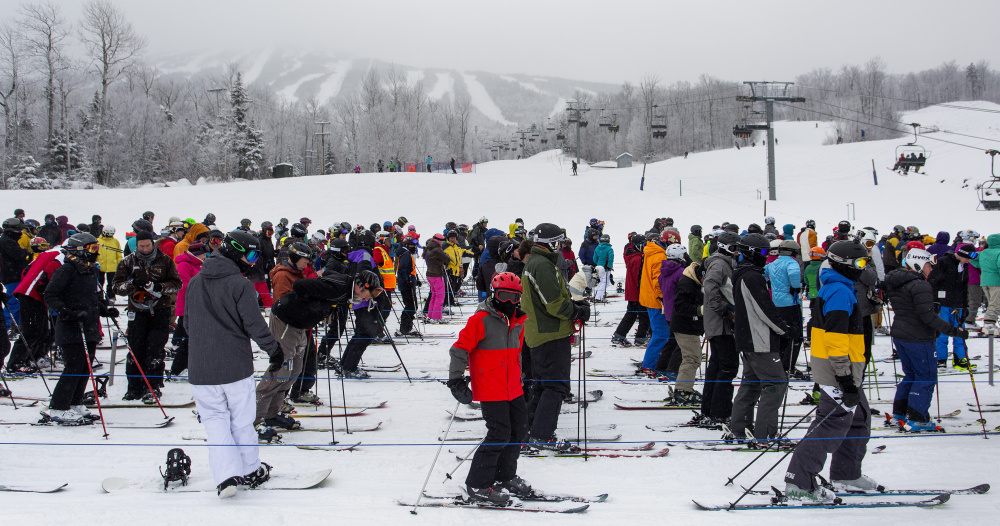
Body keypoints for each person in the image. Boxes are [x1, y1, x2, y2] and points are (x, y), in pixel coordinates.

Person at [185, 230, 282, 497]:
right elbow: (254, 324)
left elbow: (186, 324)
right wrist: (274, 350)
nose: (252, 262)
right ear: (235, 251)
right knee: (241, 421)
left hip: (201, 370)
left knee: (215, 422)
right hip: (234, 367)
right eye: (250, 255)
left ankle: (227, 476)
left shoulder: (194, 283)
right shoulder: (240, 285)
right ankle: (250, 470)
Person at [784, 240, 875, 501]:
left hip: (847, 370)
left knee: (859, 420)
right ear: (844, 264)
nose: (862, 268)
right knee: (830, 426)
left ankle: (847, 474)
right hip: (839, 372)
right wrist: (845, 379)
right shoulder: (839, 291)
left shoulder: (841, 286)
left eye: (865, 262)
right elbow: (836, 340)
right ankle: (799, 483)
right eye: (859, 263)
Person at [446, 272, 531, 504]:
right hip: (490, 387)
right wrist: (456, 380)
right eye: (504, 296)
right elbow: (459, 350)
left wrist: (523, 379)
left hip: (513, 387)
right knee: (499, 434)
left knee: (518, 431)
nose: (509, 303)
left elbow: (517, 355)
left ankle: (505, 476)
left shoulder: (518, 321)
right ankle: (477, 485)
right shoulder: (480, 320)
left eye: (515, 298)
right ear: (494, 294)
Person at [522, 223, 589, 450]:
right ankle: (542, 435)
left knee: (543, 384)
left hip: (544, 332)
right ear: (550, 243)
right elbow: (553, 304)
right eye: (558, 241)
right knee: (556, 386)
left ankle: (530, 429)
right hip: (549, 333)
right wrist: (577, 310)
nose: (561, 245)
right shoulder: (541, 264)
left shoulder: (539, 262)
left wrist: (574, 307)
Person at [886, 248, 968, 433]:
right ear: (918, 263)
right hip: (918, 337)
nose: (931, 268)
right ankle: (917, 418)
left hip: (901, 334)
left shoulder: (897, 281)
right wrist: (954, 331)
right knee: (926, 377)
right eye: (928, 264)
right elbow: (928, 317)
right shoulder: (919, 285)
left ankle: (900, 413)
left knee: (912, 375)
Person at [44, 233, 119, 423]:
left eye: (97, 248)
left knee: (85, 367)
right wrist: (67, 312)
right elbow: (51, 295)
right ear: (80, 250)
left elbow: (92, 297)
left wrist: (104, 310)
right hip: (71, 326)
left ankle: (75, 402)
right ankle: (58, 407)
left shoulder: (89, 270)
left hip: (89, 326)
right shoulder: (67, 270)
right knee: (74, 366)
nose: (96, 252)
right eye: (92, 249)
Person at [727, 233, 791, 444]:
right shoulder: (751, 277)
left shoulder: (744, 273)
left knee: (752, 384)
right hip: (759, 339)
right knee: (775, 384)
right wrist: (784, 328)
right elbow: (764, 309)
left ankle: (740, 427)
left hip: (748, 338)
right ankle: (765, 433)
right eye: (764, 252)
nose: (766, 256)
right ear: (753, 253)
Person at [111, 230, 182, 401]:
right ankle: (134, 387)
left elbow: (176, 284)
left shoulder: (165, 260)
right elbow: (116, 287)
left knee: (155, 349)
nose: (144, 249)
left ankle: (153, 386)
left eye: (147, 246)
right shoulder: (127, 261)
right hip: (136, 312)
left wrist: (159, 287)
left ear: (153, 244)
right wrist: (132, 284)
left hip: (160, 311)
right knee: (135, 350)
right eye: (141, 246)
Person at [698, 232, 739, 425]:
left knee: (717, 366)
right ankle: (719, 411)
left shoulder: (723, 262)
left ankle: (710, 408)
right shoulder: (720, 263)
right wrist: (723, 310)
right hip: (720, 324)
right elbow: (710, 285)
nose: (738, 252)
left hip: (719, 323)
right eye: (735, 248)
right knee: (727, 366)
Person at [168, 241, 207, 380]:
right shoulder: (185, 265)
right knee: (188, 340)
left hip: (196, 308)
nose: (205, 256)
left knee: (193, 340)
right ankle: (177, 369)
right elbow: (184, 287)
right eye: (203, 253)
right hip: (188, 308)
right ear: (197, 253)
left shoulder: (197, 264)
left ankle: (188, 366)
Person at [928, 245, 972, 369]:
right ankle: (941, 358)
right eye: (967, 258)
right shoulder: (943, 262)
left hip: (958, 305)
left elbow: (964, 287)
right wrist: (934, 301)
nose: (968, 261)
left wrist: (965, 305)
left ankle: (960, 358)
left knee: (960, 331)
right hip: (943, 304)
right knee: (942, 332)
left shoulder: (964, 266)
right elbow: (933, 282)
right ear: (962, 255)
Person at [764, 239, 803, 375]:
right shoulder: (792, 263)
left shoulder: (774, 262)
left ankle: (780, 364)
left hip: (776, 303)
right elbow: (793, 273)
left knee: (782, 333)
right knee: (796, 336)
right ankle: (788, 365)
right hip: (790, 304)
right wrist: (795, 287)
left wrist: (769, 282)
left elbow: (764, 271)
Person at [671, 258, 705, 405]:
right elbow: (680, 305)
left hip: (690, 325)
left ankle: (684, 387)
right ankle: (683, 391)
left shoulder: (695, 281)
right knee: (692, 358)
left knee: (694, 357)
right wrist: (699, 310)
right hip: (684, 326)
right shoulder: (687, 282)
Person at [638, 230, 669, 374]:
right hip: (656, 300)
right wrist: (663, 297)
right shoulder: (660, 256)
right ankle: (649, 365)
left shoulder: (651, 253)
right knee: (661, 333)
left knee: (659, 332)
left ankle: (652, 362)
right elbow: (658, 280)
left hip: (649, 297)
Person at [611, 235, 649, 347]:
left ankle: (619, 335)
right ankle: (640, 338)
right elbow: (640, 277)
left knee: (632, 314)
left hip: (633, 291)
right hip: (637, 292)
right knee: (643, 315)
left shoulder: (633, 255)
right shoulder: (637, 258)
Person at [1, 218, 30, 330]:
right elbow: (18, 254)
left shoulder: (9, 239)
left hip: (14, 274)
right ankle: (6, 326)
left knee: (18, 301)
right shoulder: (7, 240)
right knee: (14, 301)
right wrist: (26, 253)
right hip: (12, 275)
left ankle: (18, 325)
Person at [394, 237, 422, 338]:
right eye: (411, 245)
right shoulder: (406, 254)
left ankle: (407, 327)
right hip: (406, 285)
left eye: (414, 245)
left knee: (412, 305)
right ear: (406, 245)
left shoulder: (407, 254)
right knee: (411, 306)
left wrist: (416, 279)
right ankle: (405, 328)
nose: (413, 247)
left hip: (409, 283)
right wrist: (407, 280)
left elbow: (411, 268)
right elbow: (402, 269)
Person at [424, 233, 451, 322]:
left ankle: (431, 315)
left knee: (434, 295)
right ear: (439, 241)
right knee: (440, 296)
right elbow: (447, 259)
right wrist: (446, 255)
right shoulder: (438, 250)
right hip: (437, 275)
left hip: (430, 274)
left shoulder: (429, 248)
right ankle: (436, 317)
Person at [96, 226, 122, 299]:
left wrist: (120, 264)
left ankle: (111, 297)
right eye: (109, 234)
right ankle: (99, 297)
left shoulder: (115, 241)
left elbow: (118, 254)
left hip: (112, 266)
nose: (110, 236)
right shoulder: (98, 241)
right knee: (100, 282)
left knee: (111, 283)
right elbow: (94, 253)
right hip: (100, 266)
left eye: (112, 234)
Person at [592, 234, 614, 301]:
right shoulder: (609, 249)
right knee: (605, 283)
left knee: (601, 282)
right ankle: (598, 297)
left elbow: (594, 259)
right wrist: (609, 266)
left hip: (599, 267)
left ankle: (595, 295)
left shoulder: (597, 248)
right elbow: (611, 258)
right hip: (606, 268)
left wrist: (598, 264)